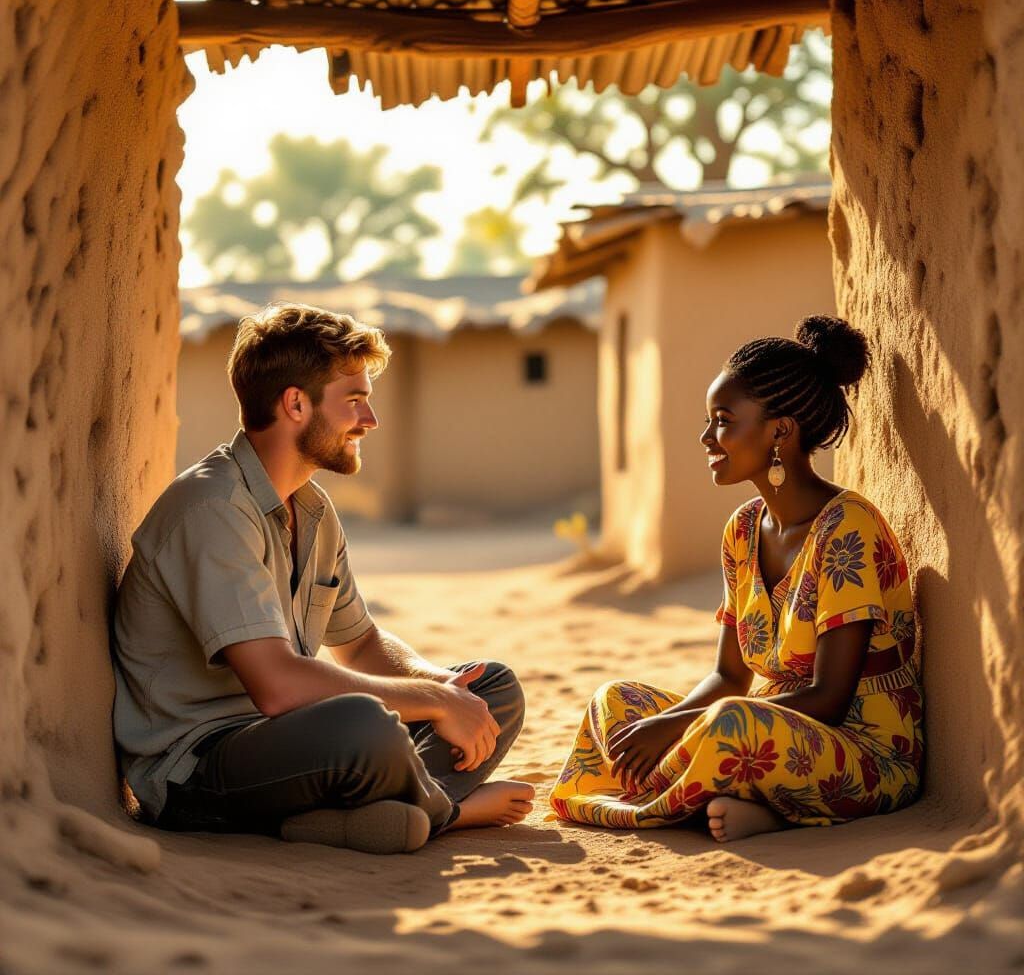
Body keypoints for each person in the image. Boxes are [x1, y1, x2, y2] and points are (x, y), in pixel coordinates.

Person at [113, 303, 534, 855]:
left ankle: (348, 820)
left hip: (295, 745)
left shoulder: (310, 509)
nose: (370, 420)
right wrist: (433, 702)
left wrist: (446, 688)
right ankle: (448, 812)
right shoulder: (212, 507)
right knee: (364, 727)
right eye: (354, 400)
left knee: (492, 688)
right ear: (295, 404)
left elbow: (360, 644)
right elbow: (278, 686)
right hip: (198, 769)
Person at [550, 315, 923, 841]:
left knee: (729, 723)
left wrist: (681, 727)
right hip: (760, 728)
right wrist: (664, 724)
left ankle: (701, 801)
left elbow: (829, 697)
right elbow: (729, 676)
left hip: (861, 749)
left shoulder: (848, 527)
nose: (707, 437)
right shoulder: (743, 530)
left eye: (723, 421)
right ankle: (724, 799)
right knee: (617, 702)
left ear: (780, 432)